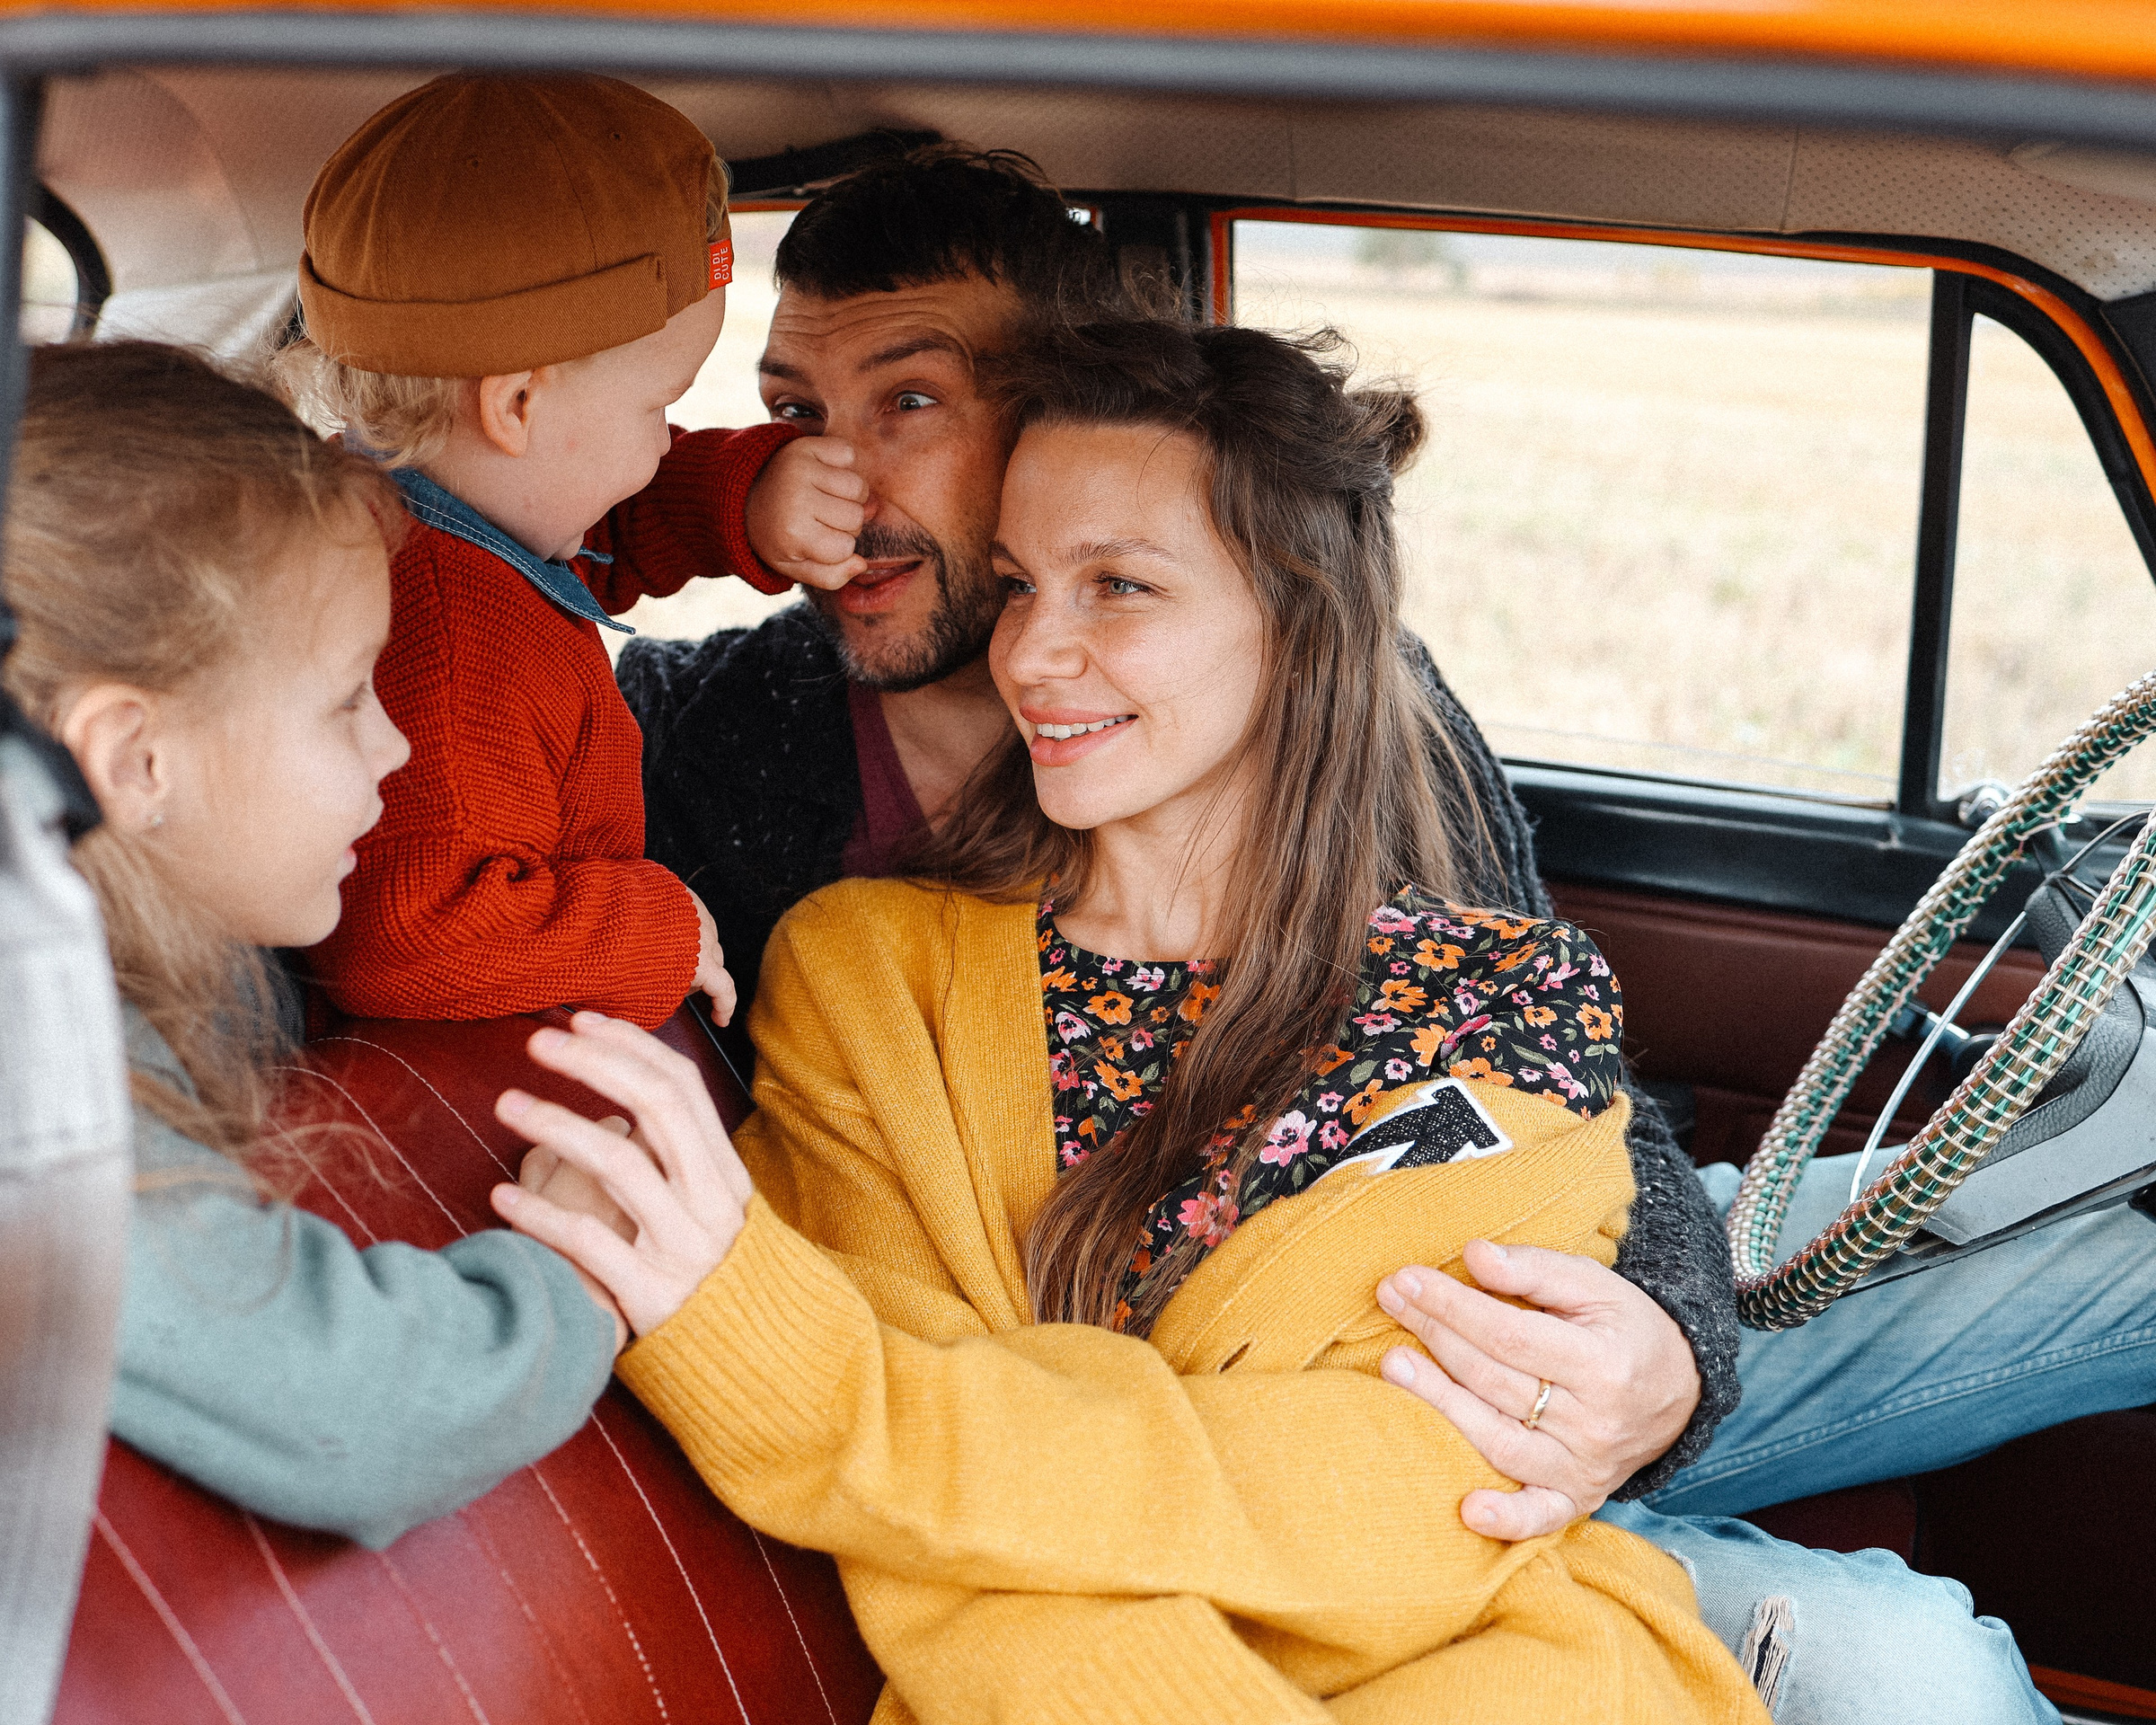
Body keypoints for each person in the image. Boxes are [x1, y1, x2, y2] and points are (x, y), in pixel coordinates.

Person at [622, 148, 2077, 1723]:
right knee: (1901, 1660)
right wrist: (692, 515)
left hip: (1473, 1409)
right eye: (788, 418)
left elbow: (1533, 1147)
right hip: (1065, 1532)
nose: (830, 482)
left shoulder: (1388, 782)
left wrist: (1666, 1343)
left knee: (2024, 1371)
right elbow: (445, 630)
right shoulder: (738, 761)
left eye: (906, 404)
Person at [500, 319, 1768, 1722]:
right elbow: (919, 1543)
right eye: (1020, 583)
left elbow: (1414, 1498)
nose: (1036, 651)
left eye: (1119, 586)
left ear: (1299, 626)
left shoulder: (1498, 1001)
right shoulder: (870, 977)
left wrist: (816, 1386)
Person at [0, 341, 626, 1548]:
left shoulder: (173, 964)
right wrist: (579, 1280)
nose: (396, 750)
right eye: (348, 701)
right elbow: (364, 1408)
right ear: (134, 762)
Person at [284, 74, 863, 1028]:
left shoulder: (436, 516)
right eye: (657, 407)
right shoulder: (453, 637)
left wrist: (744, 499)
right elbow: (412, 936)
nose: (668, 439)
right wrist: (662, 925)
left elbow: (587, 536)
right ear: (517, 406)